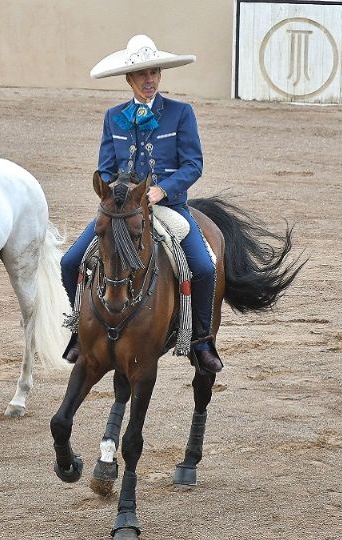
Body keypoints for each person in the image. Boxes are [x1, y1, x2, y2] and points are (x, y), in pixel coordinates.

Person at [61, 35, 224, 373]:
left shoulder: (180, 113)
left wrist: (162, 190)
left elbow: (193, 164)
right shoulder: (113, 116)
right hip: (123, 210)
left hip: (168, 206)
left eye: (154, 73)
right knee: (70, 260)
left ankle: (202, 341)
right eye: (141, 75)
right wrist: (113, 191)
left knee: (205, 268)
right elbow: (105, 167)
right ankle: (79, 329)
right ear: (129, 79)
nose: (149, 80)